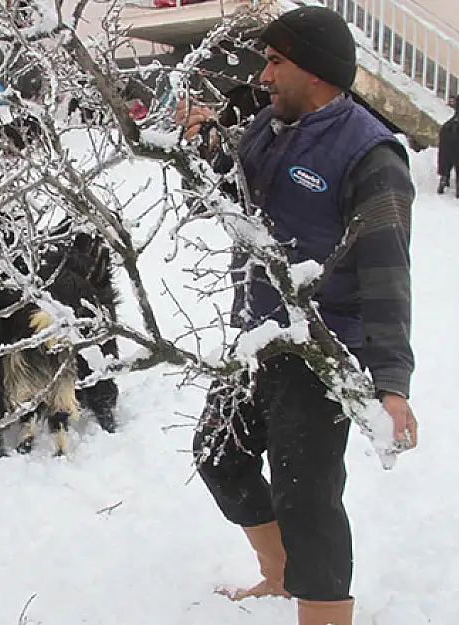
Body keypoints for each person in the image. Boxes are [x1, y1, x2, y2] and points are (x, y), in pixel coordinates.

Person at [175, 7, 419, 625]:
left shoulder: (371, 155)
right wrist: (199, 147)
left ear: (314, 70)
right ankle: (278, 576)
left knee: (307, 497)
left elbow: (388, 276)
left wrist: (391, 384)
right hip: (260, 334)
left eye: (277, 62)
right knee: (217, 453)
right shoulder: (268, 127)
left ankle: (324, 613)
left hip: (320, 346)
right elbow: (229, 196)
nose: (264, 76)